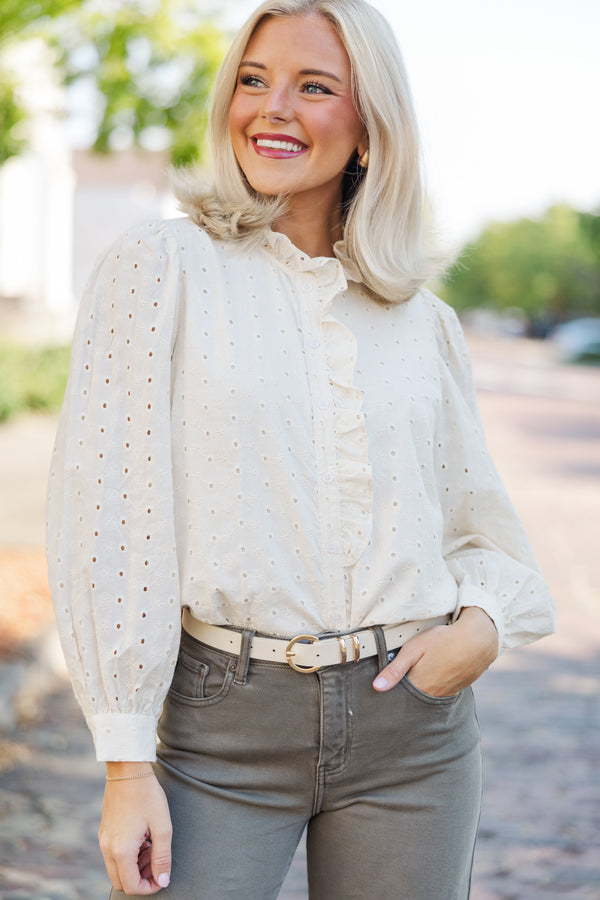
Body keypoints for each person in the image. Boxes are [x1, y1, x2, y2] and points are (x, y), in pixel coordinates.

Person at [46, 1, 556, 898]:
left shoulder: (420, 319)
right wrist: (126, 767)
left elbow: (481, 528)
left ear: (367, 129)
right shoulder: (160, 267)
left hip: (415, 733)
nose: (271, 107)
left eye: (313, 87)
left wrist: (480, 628)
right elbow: (108, 518)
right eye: (253, 80)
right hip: (222, 728)